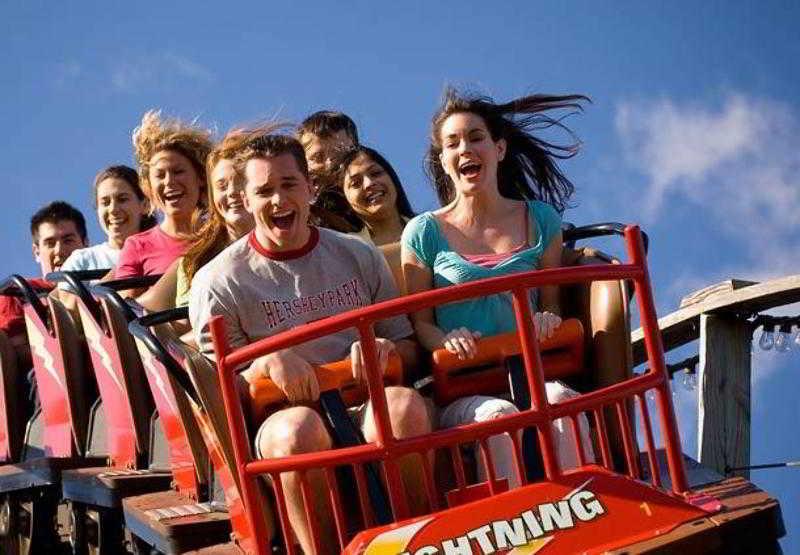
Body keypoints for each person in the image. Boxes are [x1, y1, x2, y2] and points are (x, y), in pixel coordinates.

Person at [190, 129, 430, 554]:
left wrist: (384, 352)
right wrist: (265, 363)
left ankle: (424, 541)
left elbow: (408, 348)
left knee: (402, 407)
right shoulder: (219, 280)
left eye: (288, 185)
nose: (278, 201)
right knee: (299, 430)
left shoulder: (357, 255)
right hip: (281, 418)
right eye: (264, 191)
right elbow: (222, 400)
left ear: (311, 189)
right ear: (245, 201)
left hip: (363, 400)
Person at [402, 88, 590, 486]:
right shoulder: (423, 232)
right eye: (452, 143)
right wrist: (446, 340)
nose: (465, 148)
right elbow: (421, 325)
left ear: (499, 149)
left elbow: (550, 305)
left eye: (475, 138)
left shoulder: (540, 219)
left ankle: (594, 510)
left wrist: (546, 320)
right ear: (443, 161)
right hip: (466, 387)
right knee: (499, 419)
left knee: (563, 404)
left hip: (531, 371)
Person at [137, 128, 255, 314]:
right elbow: (145, 313)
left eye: (241, 182)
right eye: (222, 186)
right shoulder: (197, 259)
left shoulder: (291, 238)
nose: (232, 192)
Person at [0, 202, 88, 412]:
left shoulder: (95, 289)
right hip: (45, 382)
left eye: (68, 240)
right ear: (36, 251)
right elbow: (16, 350)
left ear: (85, 244)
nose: (60, 250)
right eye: (50, 243)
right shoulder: (18, 292)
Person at [114, 110, 213, 279]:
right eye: (160, 175)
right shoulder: (137, 246)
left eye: (178, 171)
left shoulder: (222, 236)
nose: (169, 182)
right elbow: (126, 303)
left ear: (201, 178)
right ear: (149, 187)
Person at [60, 165, 154, 273]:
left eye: (122, 199)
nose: (113, 209)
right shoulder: (82, 261)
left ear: (145, 205)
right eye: (105, 202)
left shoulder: (163, 254)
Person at [297, 110, 362, 232]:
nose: (331, 164)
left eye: (340, 153)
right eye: (317, 158)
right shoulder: (297, 217)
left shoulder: (380, 201)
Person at [339, 145, 415, 247]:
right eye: (355, 183)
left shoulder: (433, 227)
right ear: (344, 197)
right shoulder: (347, 249)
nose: (369, 183)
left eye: (376, 173)